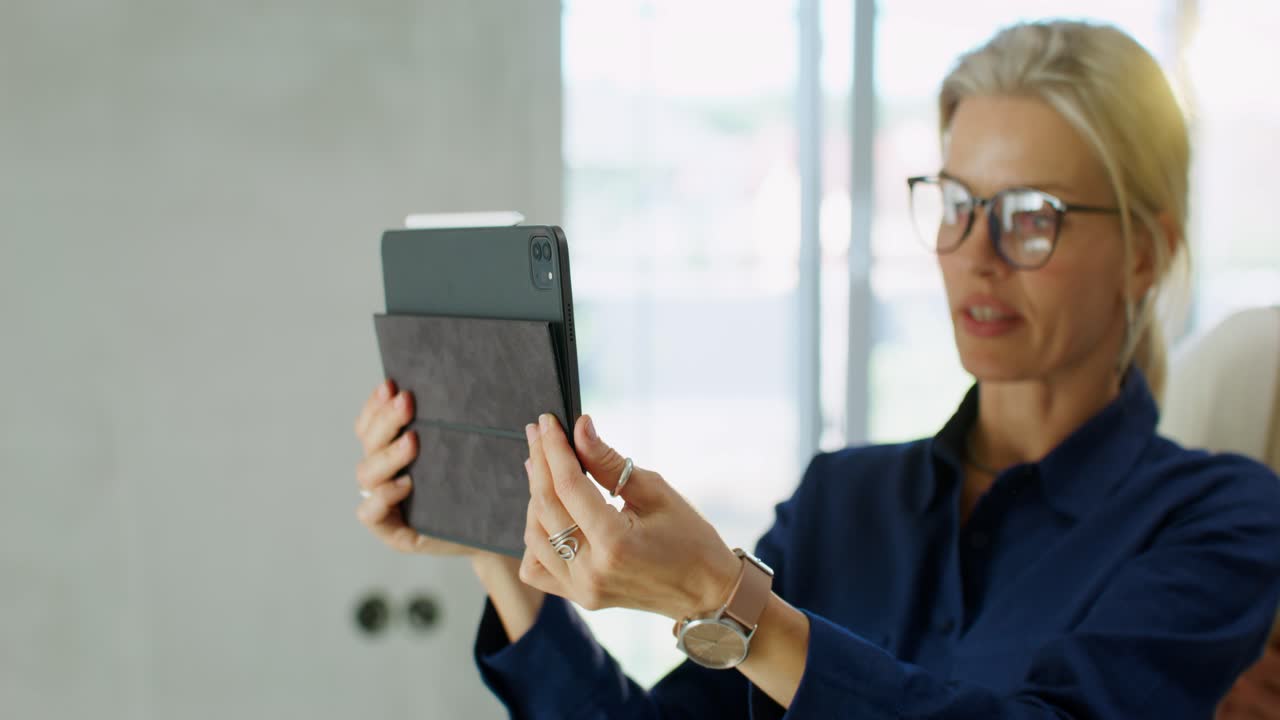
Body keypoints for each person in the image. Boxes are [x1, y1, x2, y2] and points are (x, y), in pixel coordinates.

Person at [353, 20, 1280, 718]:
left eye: (1031, 215)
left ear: (1148, 253)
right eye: (956, 204)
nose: (976, 254)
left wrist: (724, 598)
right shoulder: (845, 501)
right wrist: (495, 544)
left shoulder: (1222, 521)